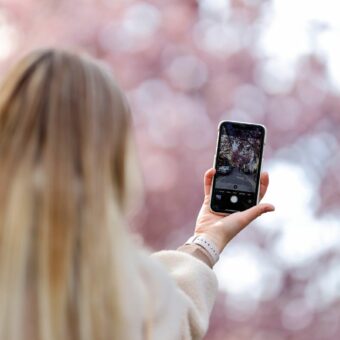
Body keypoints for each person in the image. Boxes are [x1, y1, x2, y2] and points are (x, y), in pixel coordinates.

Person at [0, 49, 274, 340]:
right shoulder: (129, 294)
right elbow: (170, 316)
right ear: (112, 158)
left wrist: (208, 237)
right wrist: (207, 241)